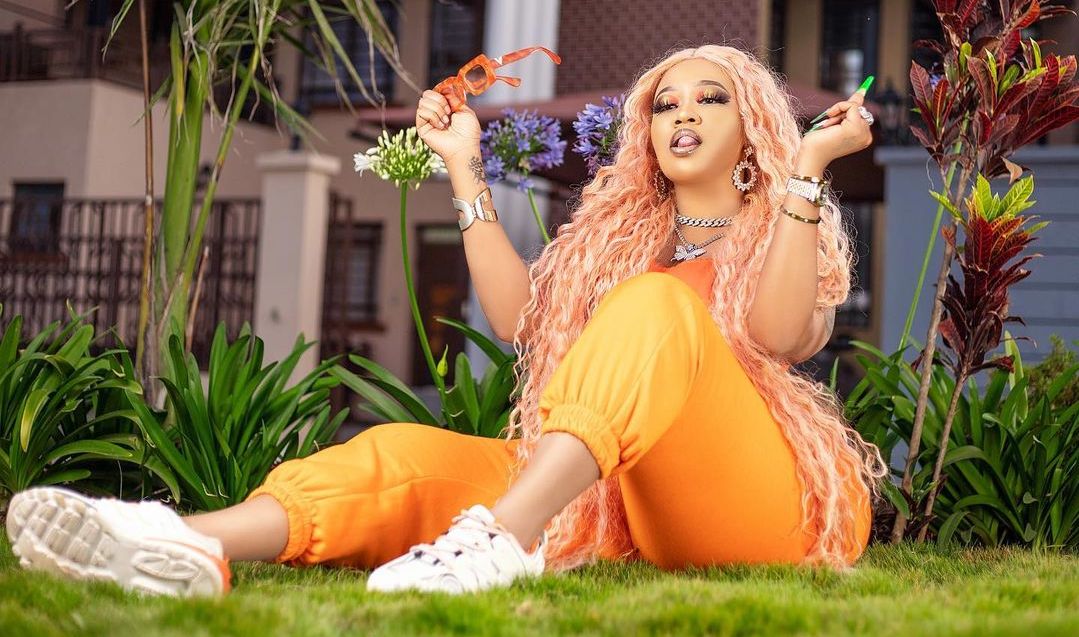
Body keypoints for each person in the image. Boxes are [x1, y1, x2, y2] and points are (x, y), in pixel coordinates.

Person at [5, 44, 888, 597]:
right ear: (646, 134)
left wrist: (808, 168)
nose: (683, 112)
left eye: (711, 98)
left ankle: (502, 538)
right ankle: (178, 540)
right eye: (665, 102)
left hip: (764, 510)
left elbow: (782, 336)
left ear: (754, 127)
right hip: (622, 506)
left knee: (655, 304)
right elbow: (519, 320)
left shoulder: (786, 224)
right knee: (401, 455)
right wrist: (464, 168)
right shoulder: (622, 248)